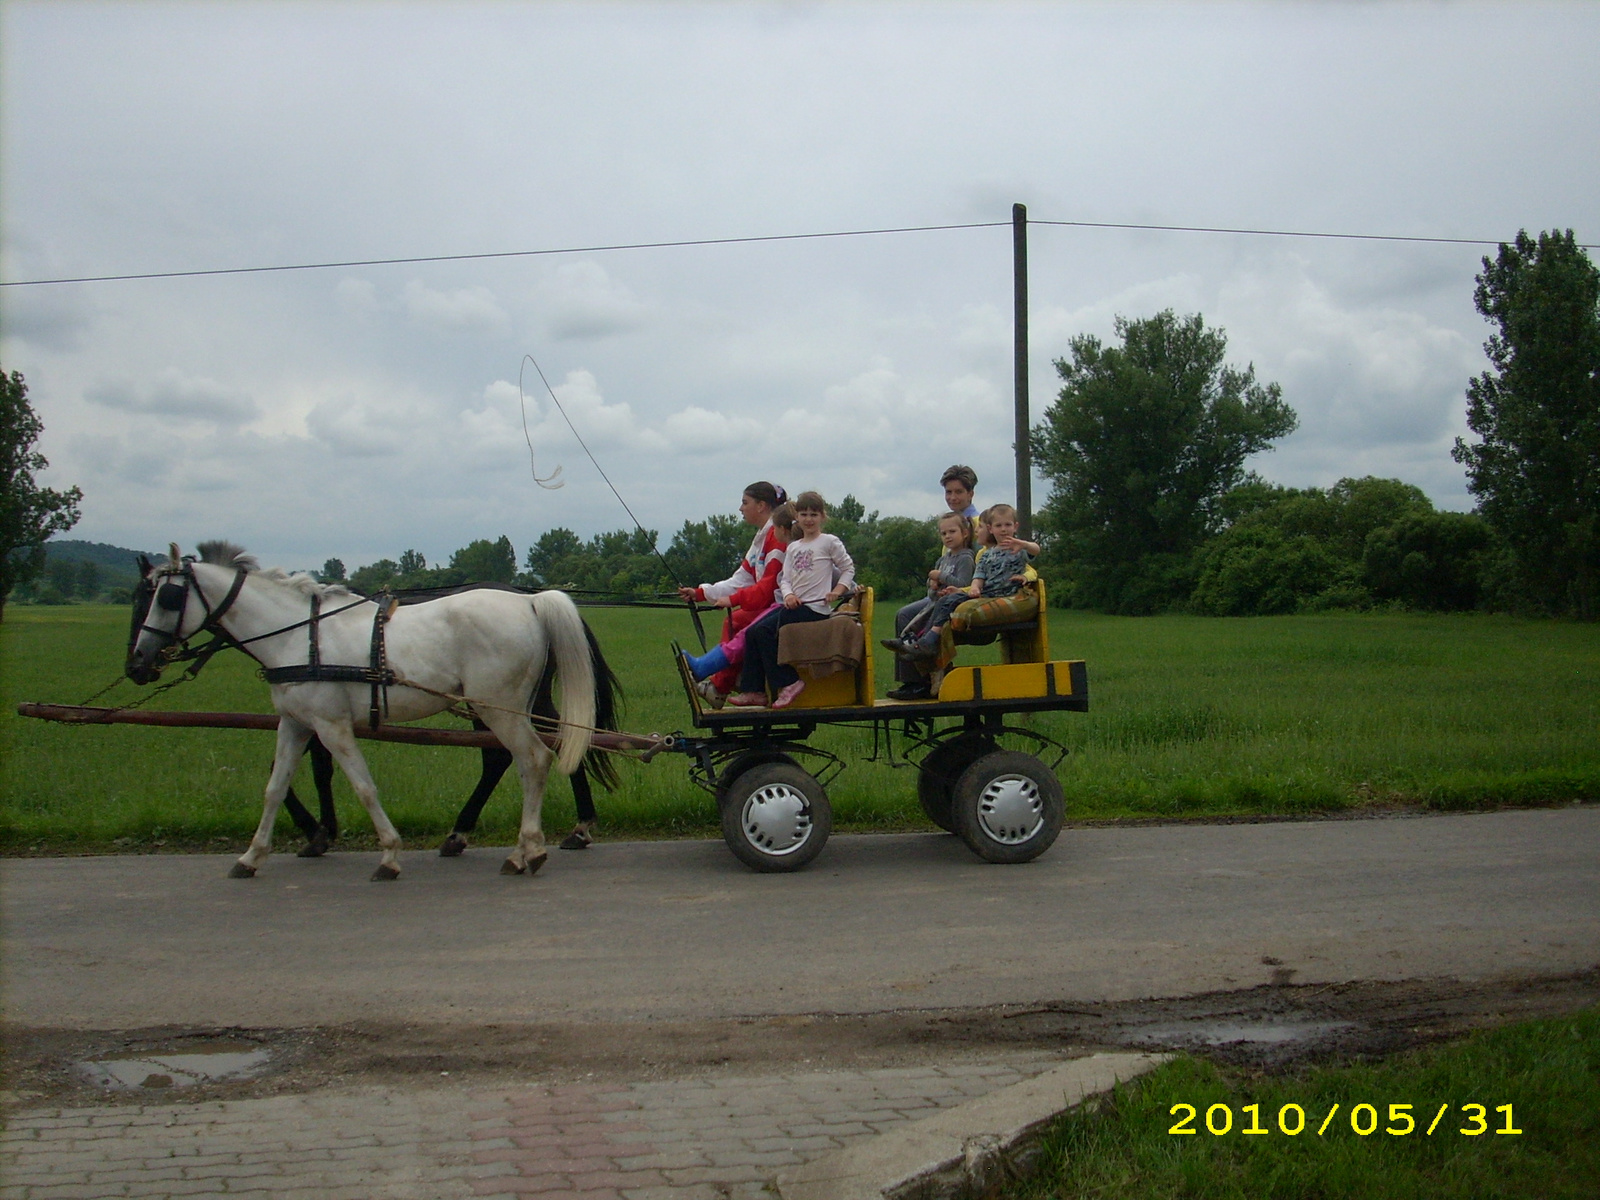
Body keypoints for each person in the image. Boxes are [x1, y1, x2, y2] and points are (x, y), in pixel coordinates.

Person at [729, 492, 856, 710]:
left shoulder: (829, 542)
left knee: (766, 631)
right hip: (795, 605)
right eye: (804, 514)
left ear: (822, 516)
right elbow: (785, 579)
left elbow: (848, 568)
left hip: (816, 608)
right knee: (753, 631)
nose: (809, 519)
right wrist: (788, 595)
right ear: (797, 516)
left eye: (814, 514)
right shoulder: (795, 547)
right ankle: (754, 690)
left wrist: (837, 591)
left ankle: (790, 682)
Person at [678, 481, 788, 706]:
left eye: (744, 503)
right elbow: (741, 580)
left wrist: (733, 600)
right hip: (772, 605)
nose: (740, 509)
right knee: (735, 620)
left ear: (761, 505)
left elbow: (768, 588)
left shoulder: (775, 537)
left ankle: (719, 686)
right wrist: (701, 593)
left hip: (778, 605)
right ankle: (721, 685)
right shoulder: (762, 537)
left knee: (737, 621)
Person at [888, 466, 981, 700]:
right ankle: (913, 680)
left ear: (971, 494)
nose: (952, 498)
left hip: (965, 592)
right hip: (943, 592)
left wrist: (954, 587)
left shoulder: (977, 525)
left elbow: (980, 566)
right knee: (903, 614)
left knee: (912, 615)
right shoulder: (950, 523)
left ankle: (922, 679)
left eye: (958, 492)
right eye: (948, 492)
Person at [882, 512, 976, 691]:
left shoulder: (966, 558)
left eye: (952, 531)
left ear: (965, 533)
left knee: (920, 619)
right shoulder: (943, 559)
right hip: (935, 600)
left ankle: (921, 668)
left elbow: (964, 585)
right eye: (943, 533)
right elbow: (932, 590)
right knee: (903, 614)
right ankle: (910, 678)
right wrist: (932, 585)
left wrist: (941, 576)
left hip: (951, 604)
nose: (947, 536)